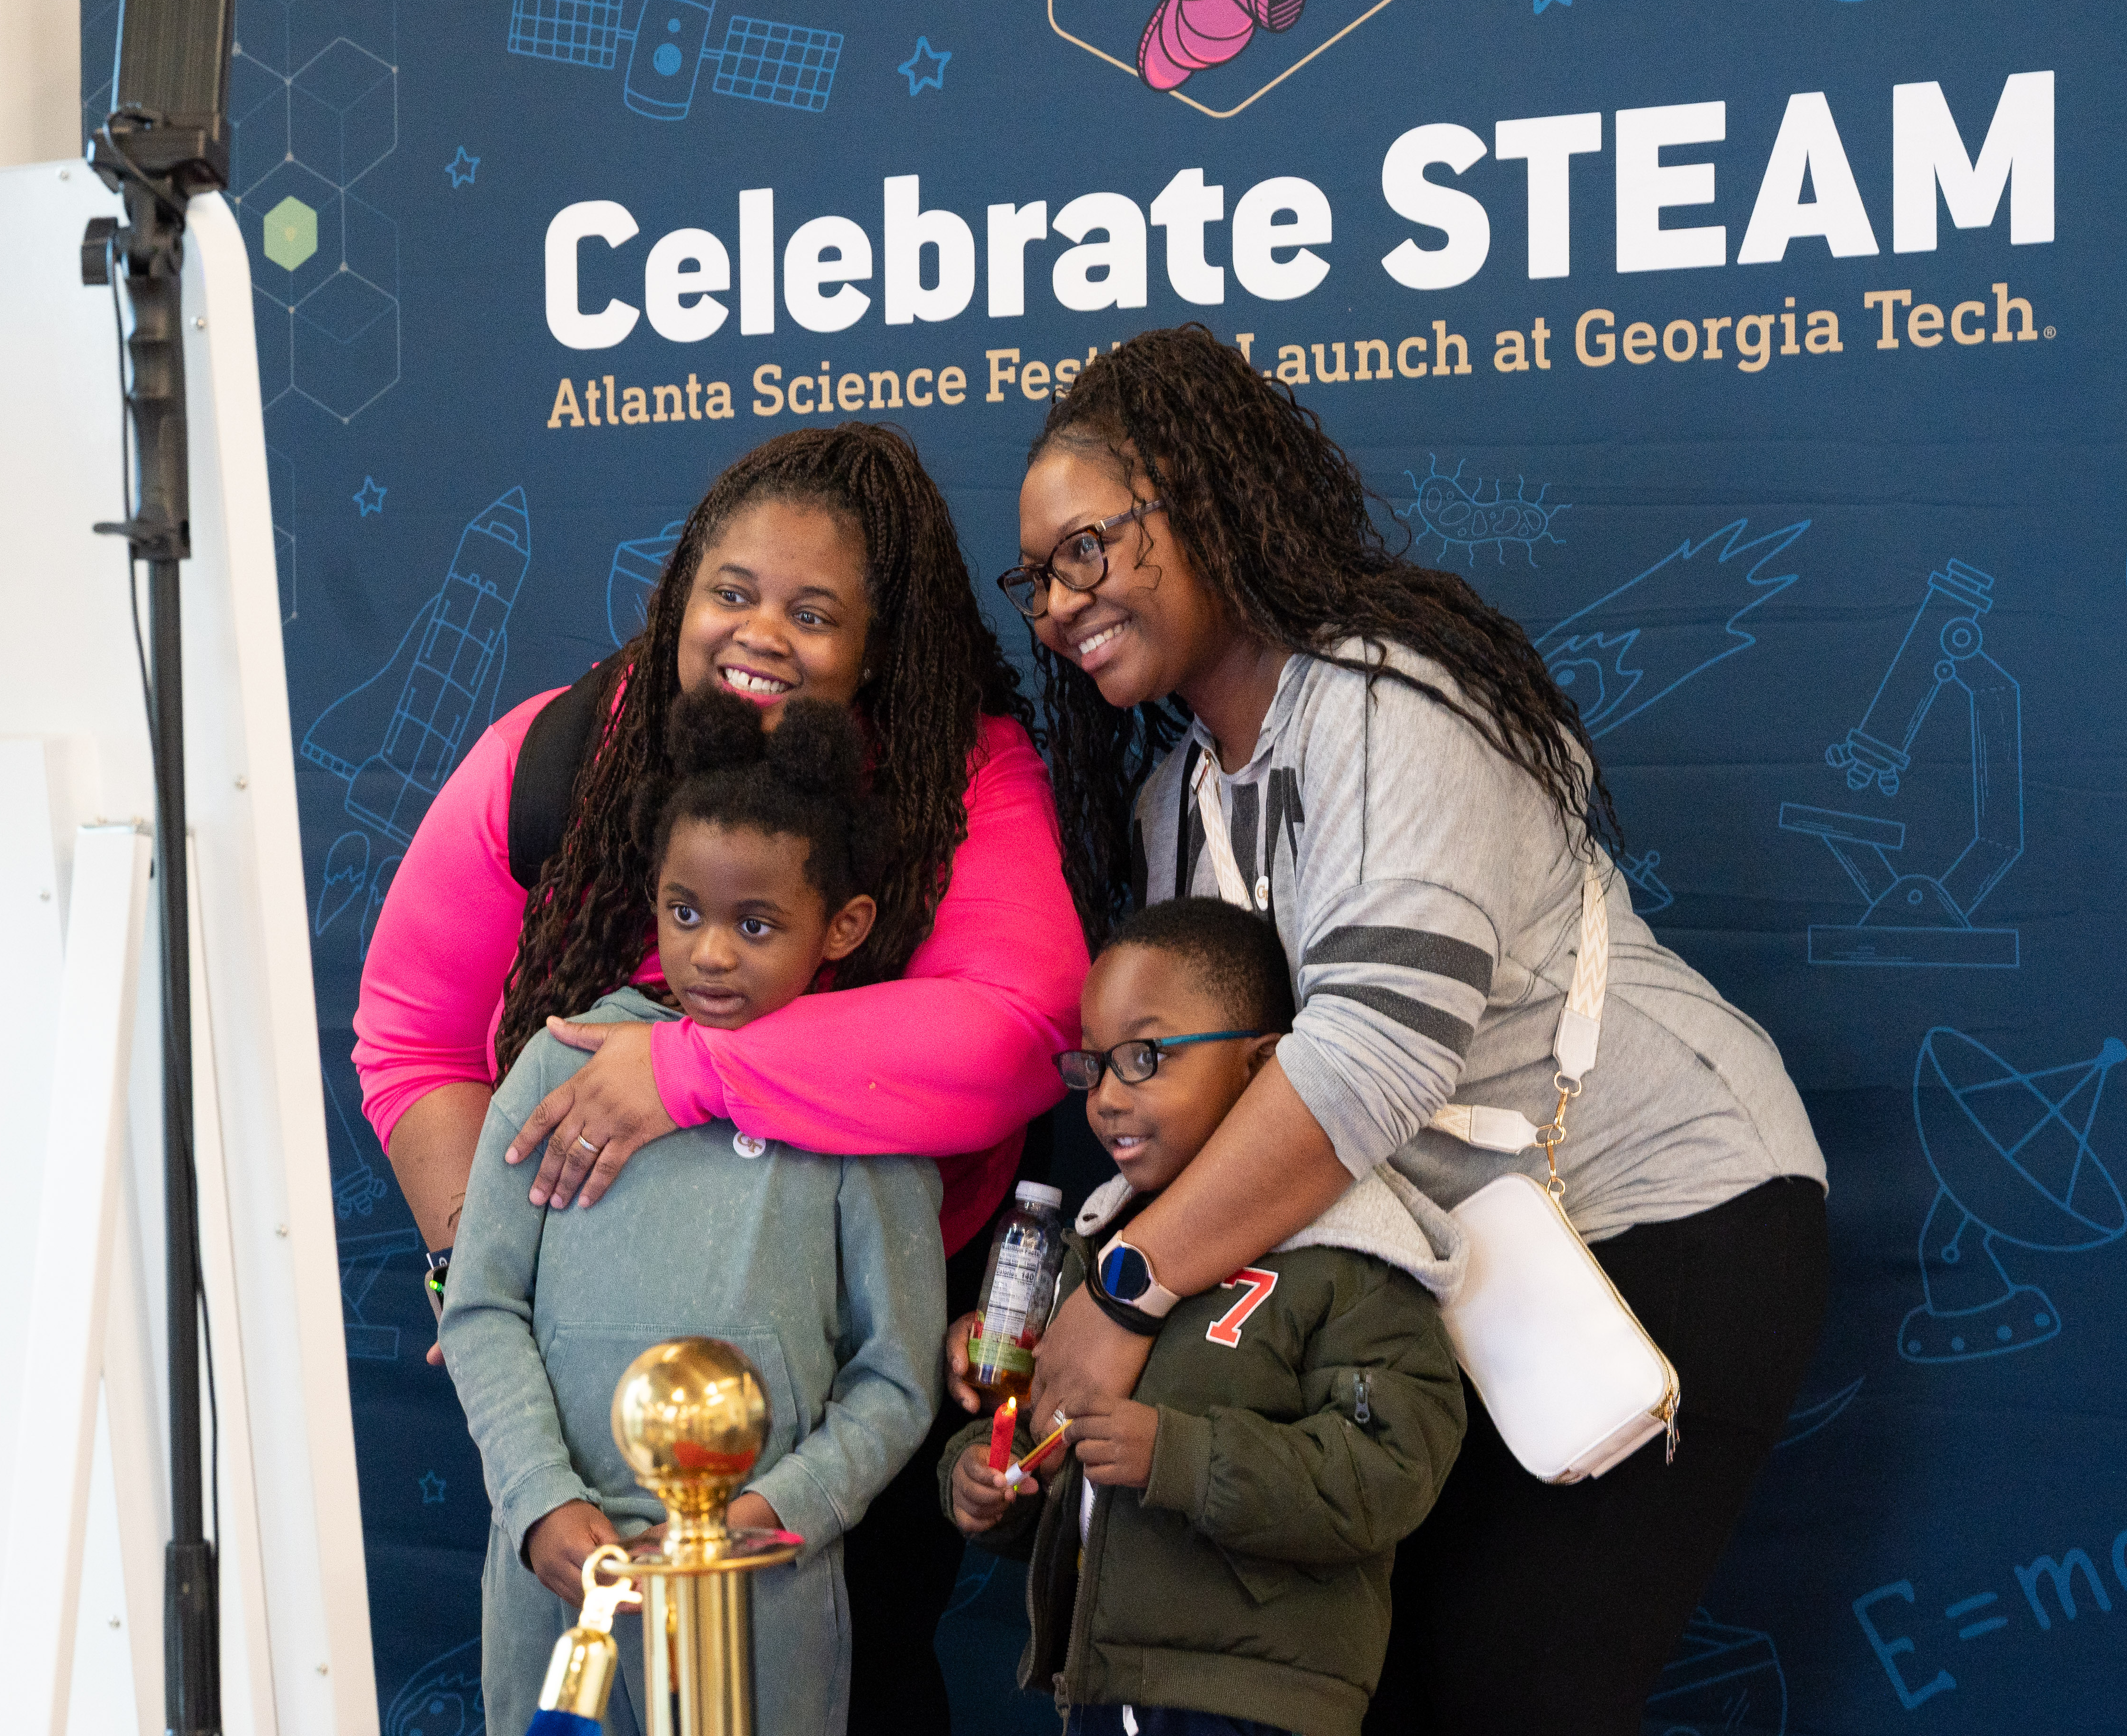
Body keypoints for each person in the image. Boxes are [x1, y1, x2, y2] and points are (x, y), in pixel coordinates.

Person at [1002, 325, 1831, 1735]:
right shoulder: (1175, 803)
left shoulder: (1396, 697)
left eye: (1089, 548)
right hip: (1431, 1288)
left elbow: (1367, 1057)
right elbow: (1213, 1103)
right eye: (1037, 575)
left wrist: (1127, 1290)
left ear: (1206, 501)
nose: (1059, 604)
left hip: (1657, 1223)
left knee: (1514, 1694)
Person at [357, 425, 1086, 1730]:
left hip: (815, 1450)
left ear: (879, 645)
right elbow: (411, 1035)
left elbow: (1019, 1026)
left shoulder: (950, 772)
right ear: (681, 588)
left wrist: (689, 1071)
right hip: (575, 1431)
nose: (762, 633)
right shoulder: (561, 754)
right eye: (732, 592)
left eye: (816, 612)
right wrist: (494, 1257)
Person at [443, 687, 943, 1736]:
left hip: (759, 1586)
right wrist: (539, 1503)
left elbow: (894, 1378)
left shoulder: (865, 1109)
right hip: (561, 1580)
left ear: (840, 925)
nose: (712, 953)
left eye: (755, 924)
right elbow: (484, 1309)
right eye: (686, 913)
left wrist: (769, 1516)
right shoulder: (557, 1064)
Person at [942, 898, 1465, 1736]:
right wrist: (991, 1479)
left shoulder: (1355, 1257)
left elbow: (1392, 1468)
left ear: (1264, 1067)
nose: (1106, 1097)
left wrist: (1175, 1455)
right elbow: (1042, 1420)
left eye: (1143, 1058)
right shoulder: (1100, 1248)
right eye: (1094, 1065)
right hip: (1102, 1684)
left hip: (1258, 1702)